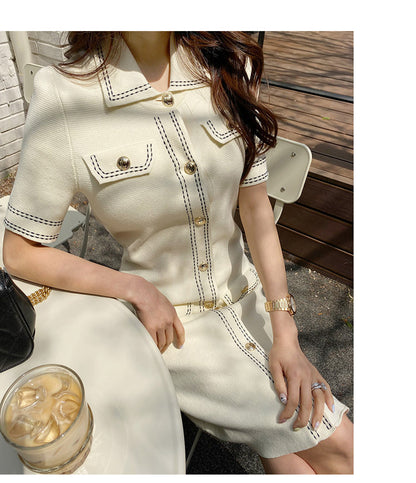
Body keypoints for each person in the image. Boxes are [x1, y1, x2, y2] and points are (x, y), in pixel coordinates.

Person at [2, 31, 353, 474]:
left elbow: (256, 208)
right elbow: (20, 251)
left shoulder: (229, 65)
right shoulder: (64, 96)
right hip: (173, 328)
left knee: (295, 451)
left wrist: (286, 332)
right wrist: (135, 289)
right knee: (342, 445)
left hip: (252, 297)